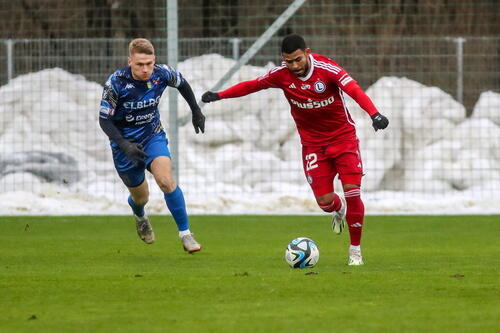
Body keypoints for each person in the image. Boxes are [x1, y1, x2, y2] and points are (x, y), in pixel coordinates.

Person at [202, 34, 389, 265]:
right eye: (289, 61)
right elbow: (252, 85)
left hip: (343, 140)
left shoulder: (327, 69)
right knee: (324, 202)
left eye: (298, 60)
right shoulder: (281, 75)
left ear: (307, 52)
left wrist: (374, 114)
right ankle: (337, 208)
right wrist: (219, 95)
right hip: (313, 145)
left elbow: (355, 90)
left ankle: (355, 252)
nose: (294, 66)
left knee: (353, 192)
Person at [99, 38, 205, 253]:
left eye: (149, 63)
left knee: (166, 181)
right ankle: (139, 214)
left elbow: (182, 84)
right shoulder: (116, 83)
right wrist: (124, 145)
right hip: (124, 146)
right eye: (140, 64)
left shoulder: (162, 73)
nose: (145, 69)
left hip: (152, 136)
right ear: (130, 61)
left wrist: (196, 110)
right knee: (141, 197)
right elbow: (104, 120)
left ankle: (186, 234)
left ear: (154, 60)